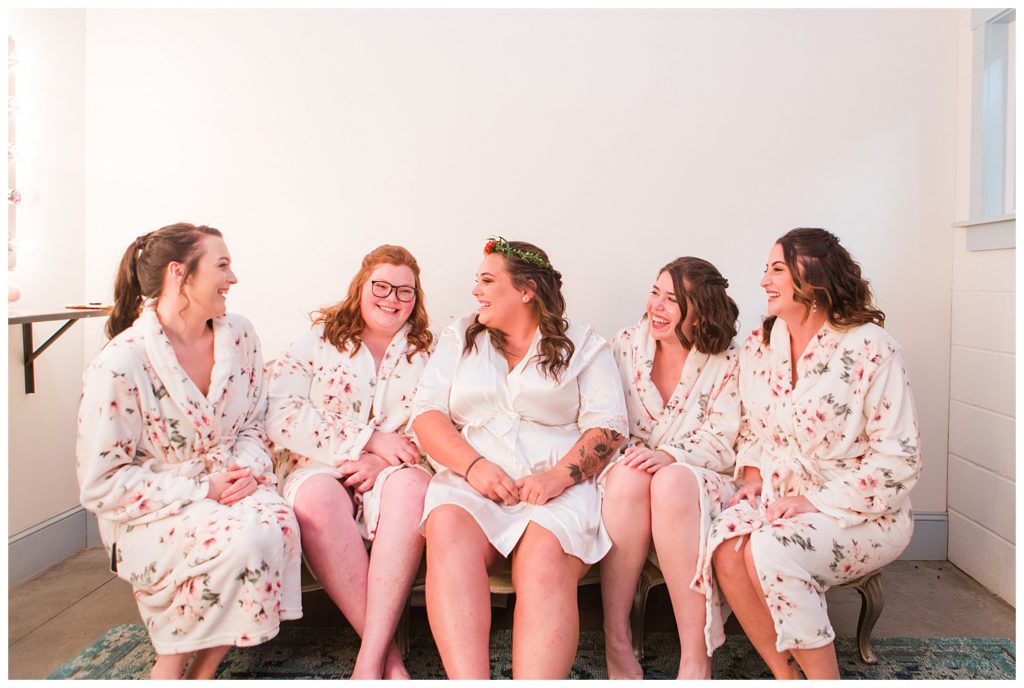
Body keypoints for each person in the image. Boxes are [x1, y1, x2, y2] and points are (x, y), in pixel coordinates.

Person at [76, 223, 301, 680]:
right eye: (222, 265)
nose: (233, 278)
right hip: (158, 506)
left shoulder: (240, 335)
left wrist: (246, 473)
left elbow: (256, 420)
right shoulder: (121, 364)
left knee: (275, 524)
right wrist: (203, 488)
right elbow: (102, 483)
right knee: (242, 540)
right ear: (180, 274)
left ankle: (203, 671)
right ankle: (173, 665)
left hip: (234, 481)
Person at [410, 237, 628, 679]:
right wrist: (473, 467)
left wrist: (557, 478)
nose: (476, 291)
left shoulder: (585, 345)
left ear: (526, 290)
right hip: (472, 482)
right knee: (447, 528)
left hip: (555, 489)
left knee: (544, 557)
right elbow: (427, 414)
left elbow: (608, 428)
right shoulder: (461, 338)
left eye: (488, 281)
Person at [709, 227, 921, 679]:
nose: (764, 280)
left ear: (814, 278)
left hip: (863, 511)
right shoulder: (761, 342)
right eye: (765, 270)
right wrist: (751, 476)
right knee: (726, 546)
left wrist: (813, 502)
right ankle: (786, 676)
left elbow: (898, 461)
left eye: (777, 269)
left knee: (772, 548)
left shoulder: (871, 348)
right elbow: (752, 425)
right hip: (781, 494)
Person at [266, 245, 433, 680]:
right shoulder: (318, 339)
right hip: (319, 463)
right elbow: (280, 412)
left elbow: (443, 422)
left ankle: (368, 661)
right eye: (381, 285)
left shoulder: (429, 353)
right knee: (318, 500)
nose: (392, 298)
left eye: (405, 291)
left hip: (396, 469)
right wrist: (367, 440)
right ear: (361, 286)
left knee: (413, 489)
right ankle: (388, 661)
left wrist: (384, 462)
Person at [599, 257, 741, 680]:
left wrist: (674, 456)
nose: (657, 307)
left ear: (701, 311)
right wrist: (642, 459)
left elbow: (728, 437)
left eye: (673, 300)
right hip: (631, 468)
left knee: (671, 481)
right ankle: (616, 640)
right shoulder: (624, 345)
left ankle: (695, 657)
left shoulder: (728, 361)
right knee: (630, 476)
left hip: (699, 475)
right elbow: (603, 417)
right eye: (655, 293)